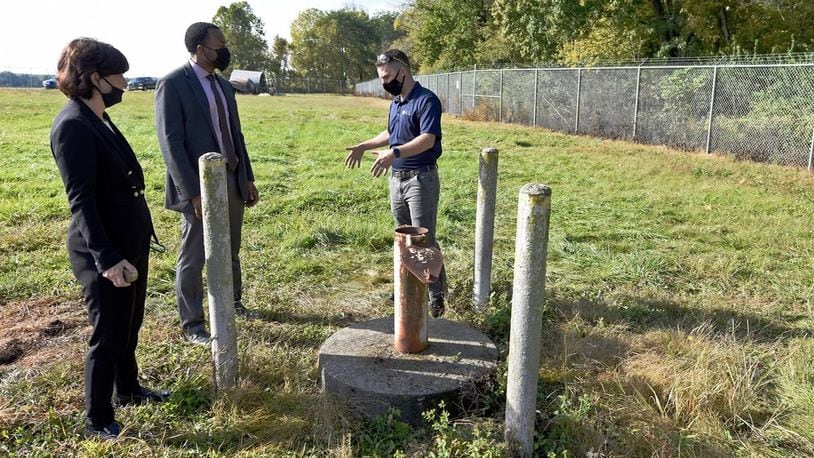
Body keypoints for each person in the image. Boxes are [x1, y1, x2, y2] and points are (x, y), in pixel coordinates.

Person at [50, 38, 169, 440]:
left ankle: (129, 390)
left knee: (130, 323)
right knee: (109, 332)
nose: (126, 82)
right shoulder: (72, 126)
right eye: (120, 75)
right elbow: (81, 200)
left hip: (128, 241)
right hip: (104, 249)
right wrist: (107, 259)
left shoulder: (98, 117)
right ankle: (97, 417)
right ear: (96, 78)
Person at [155, 22, 260, 345]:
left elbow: (236, 135)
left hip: (231, 178)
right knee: (194, 254)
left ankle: (233, 302)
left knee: (230, 247)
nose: (224, 51)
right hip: (200, 186)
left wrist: (248, 177)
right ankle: (193, 323)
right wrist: (193, 193)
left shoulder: (224, 86)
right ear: (201, 49)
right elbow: (170, 142)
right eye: (219, 45)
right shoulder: (173, 84)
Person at [345, 49, 447, 317]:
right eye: (381, 78)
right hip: (397, 180)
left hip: (420, 180)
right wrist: (365, 146)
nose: (385, 82)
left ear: (403, 70)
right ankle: (407, 285)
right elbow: (391, 133)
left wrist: (395, 153)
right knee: (403, 237)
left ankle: (436, 296)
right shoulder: (397, 103)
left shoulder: (426, 100)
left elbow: (428, 139)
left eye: (387, 76)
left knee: (424, 239)